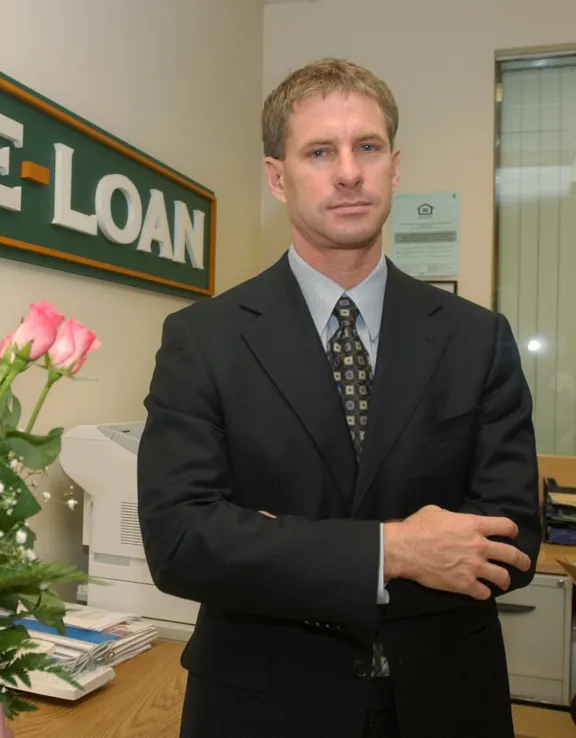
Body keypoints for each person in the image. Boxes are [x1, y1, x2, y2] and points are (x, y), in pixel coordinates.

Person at [136, 58, 541, 738]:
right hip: (263, 706)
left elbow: (509, 541)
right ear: (277, 175)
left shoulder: (477, 338)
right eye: (320, 151)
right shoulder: (203, 338)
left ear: (395, 165)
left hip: (445, 702)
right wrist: (395, 551)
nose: (348, 172)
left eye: (368, 147)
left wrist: (268, 540)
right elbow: (182, 540)